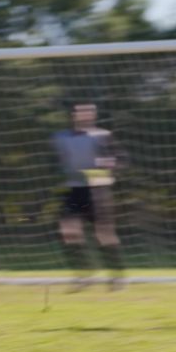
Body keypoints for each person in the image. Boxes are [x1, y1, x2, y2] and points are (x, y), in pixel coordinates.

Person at [52, 103, 125, 291]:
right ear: (73, 115)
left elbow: (120, 159)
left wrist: (109, 165)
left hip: (98, 190)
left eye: (89, 112)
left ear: (93, 115)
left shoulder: (103, 135)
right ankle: (84, 275)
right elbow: (57, 161)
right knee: (68, 231)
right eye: (81, 112)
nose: (85, 115)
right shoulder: (60, 137)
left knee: (104, 234)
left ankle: (117, 276)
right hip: (75, 190)